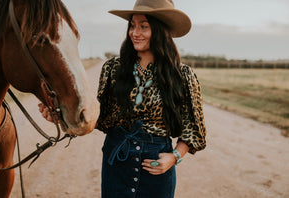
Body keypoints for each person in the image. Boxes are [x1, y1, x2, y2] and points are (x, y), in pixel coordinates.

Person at [39, 0, 206, 197]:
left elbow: (193, 128)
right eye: (132, 26)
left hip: (156, 166)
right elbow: (100, 117)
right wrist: (60, 117)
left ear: (160, 31)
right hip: (116, 160)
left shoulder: (182, 75)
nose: (135, 33)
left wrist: (174, 157)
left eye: (144, 27)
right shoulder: (113, 69)